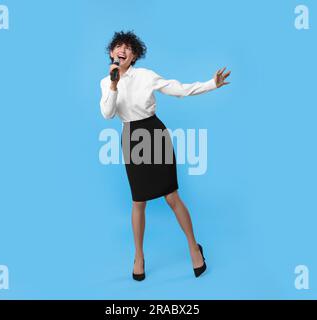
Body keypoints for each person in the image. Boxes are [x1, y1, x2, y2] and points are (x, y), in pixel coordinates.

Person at [99, 30, 231, 281]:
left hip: (154, 133)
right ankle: (139, 256)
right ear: (111, 53)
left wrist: (211, 84)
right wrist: (114, 84)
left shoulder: (146, 76)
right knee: (139, 201)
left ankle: (194, 247)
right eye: (118, 46)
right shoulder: (106, 82)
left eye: (128, 47)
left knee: (171, 196)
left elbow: (179, 89)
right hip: (131, 137)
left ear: (134, 55)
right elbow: (107, 113)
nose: (122, 49)